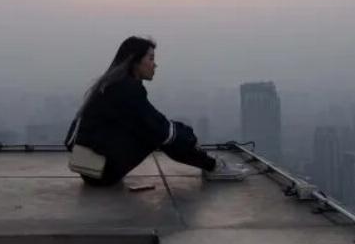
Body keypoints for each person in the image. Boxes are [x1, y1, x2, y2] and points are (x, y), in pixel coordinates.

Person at [64, 36, 248, 186]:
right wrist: (189, 136)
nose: (155, 65)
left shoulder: (110, 85)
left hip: (90, 170)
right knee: (159, 133)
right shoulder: (127, 89)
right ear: (135, 62)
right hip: (104, 172)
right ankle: (213, 167)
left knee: (158, 130)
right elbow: (159, 128)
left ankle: (210, 164)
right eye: (150, 59)